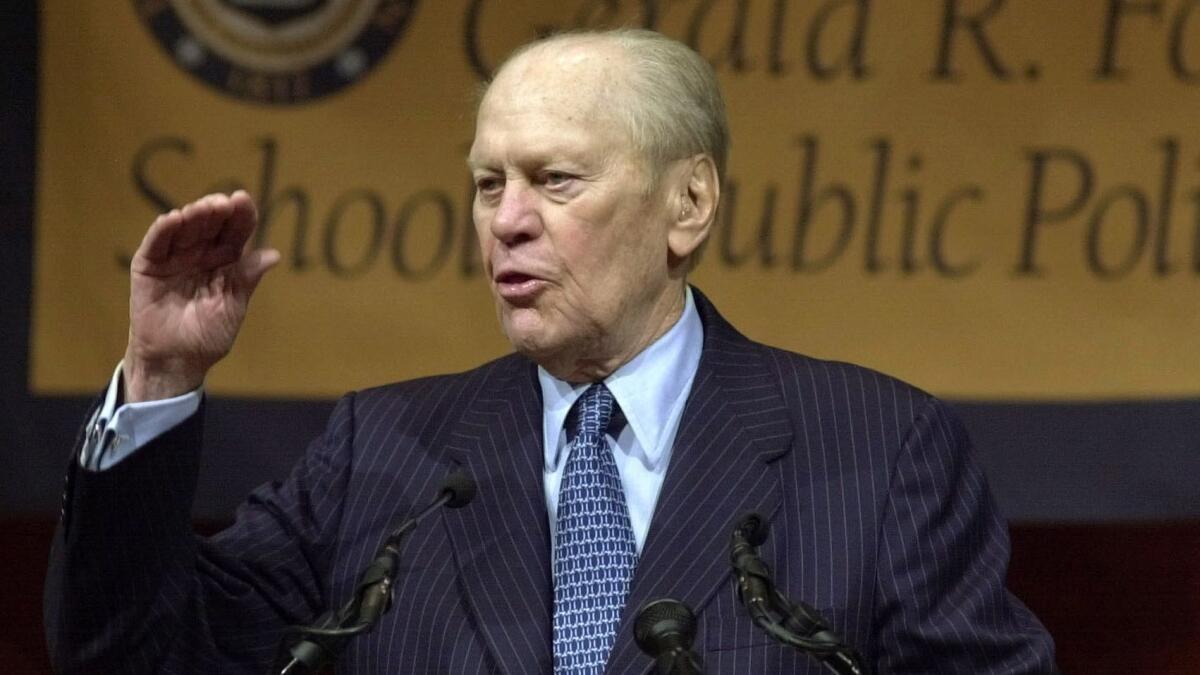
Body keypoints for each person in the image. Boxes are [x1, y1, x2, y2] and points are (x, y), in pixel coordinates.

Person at [44, 29, 1057, 674]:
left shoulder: (880, 447)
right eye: (490, 186)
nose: (508, 223)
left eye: (556, 181)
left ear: (688, 203)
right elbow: (132, 649)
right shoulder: (383, 451)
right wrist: (163, 378)